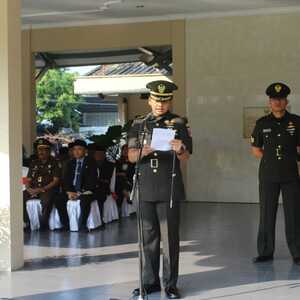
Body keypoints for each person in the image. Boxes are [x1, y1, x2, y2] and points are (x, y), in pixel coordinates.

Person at [128, 80, 192, 299]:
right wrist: (142, 152)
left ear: (170, 101)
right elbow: (130, 156)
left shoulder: (178, 123)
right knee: (148, 239)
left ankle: (170, 284)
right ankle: (149, 283)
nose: (160, 105)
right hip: (145, 187)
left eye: (164, 101)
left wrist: (180, 148)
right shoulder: (138, 124)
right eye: (156, 100)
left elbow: (186, 156)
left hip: (169, 186)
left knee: (170, 238)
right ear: (150, 100)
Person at [251, 82, 300, 265]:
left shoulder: (296, 122)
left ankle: (297, 253)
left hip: (291, 176)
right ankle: (265, 252)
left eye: (281, 99)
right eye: (274, 100)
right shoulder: (262, 123)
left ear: (286, 101)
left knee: (294, 214)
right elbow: (256, 149)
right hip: (268, 176)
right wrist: (271, 159)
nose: (277, 103)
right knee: (266, 213)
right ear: (269, 102)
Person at [23, 138, 61, 230]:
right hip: (34, 188)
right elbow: (28, 179)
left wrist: (41, 189)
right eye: (39, 149)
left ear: (49, 151)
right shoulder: (34, 163)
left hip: (48, 189)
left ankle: (43, 225)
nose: (41, 152)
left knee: (46, 201)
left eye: (44, 149)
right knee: (20, 197)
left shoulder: (55, 162)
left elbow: (56, 181)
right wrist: (28, 189)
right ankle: (27, 222)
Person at [62, 139, 98, 231]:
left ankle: (82, 224)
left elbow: (92, 181)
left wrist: (79, 193)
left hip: (86, 191)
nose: (76, 152)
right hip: (72, 190)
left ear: (85, 151)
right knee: (58, 199)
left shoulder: (91, 162)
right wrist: (69, 192)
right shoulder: (70, 163)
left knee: (84, 201)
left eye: (79, 149)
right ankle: (66, 224)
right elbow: (66, 180)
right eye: (74, 149)